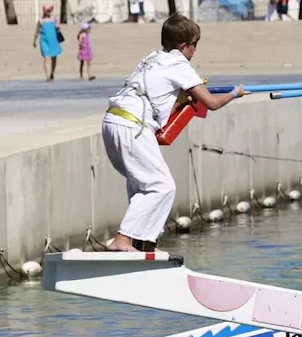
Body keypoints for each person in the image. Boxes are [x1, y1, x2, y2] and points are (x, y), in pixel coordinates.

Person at [102, 14, 245, 252]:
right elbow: (210, 103)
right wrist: (235, 94)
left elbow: (161, 93)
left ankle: (145, 243)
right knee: (162, 186)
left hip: (112, 121)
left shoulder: (151, 58)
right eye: (195, 44)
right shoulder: (180, 65)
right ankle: (122, 240)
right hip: (134, 126)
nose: (196, 50)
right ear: (183, 46)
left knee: (141, 183)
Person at [33, 4, 61, 81]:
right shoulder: (41, 21)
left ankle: (52, 73)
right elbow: (37, 31)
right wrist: (34, 41)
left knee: (54, 58)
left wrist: (57, 26)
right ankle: (47, 76)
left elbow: (58, 27)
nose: (49, 12)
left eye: (50, 10)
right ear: (44, 11)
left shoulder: (54, 19)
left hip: (53, 41)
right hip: (44, 41)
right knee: (46, 58)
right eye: (48, 10)